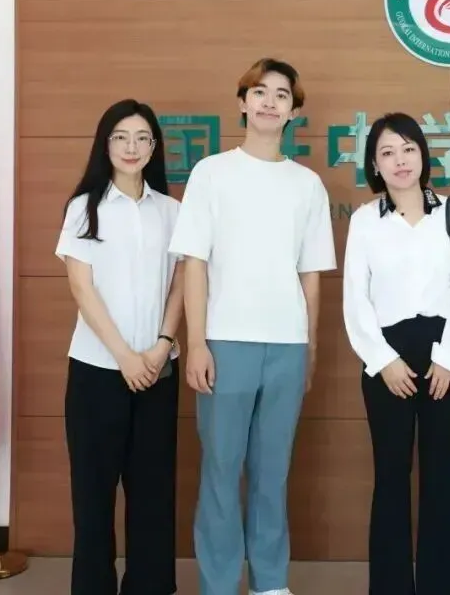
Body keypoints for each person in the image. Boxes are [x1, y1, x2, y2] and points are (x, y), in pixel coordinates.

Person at [168, 58, 336, 595]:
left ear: (293, 111)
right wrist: (197, 343)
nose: (269, 102)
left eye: (281, 95)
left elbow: (311, 276)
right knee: (221, 470)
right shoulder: (211, 173)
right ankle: (219, 583)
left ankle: (270, 582)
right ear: (242, 103)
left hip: (287, 345)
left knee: (273, 471)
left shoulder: (307, 185)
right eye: (259, 92)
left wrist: (310, 349)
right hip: (225, 342)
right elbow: (194, 263)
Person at [342, 112, 450, 595]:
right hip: (386, 360)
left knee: (440, 478)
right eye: (387, 152)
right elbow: (355, 298)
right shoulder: (365, 220)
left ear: (423, 155)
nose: (400, 160)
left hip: (447, 357)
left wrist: (449, 358)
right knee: (390, 477)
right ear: (374, 165)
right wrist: (383, 361)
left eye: (408, 149)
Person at [56, 98, 184, 595]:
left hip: (158, 370)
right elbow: (81, 288)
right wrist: (125, 357)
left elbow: (181, 284)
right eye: (121, 137)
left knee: (153, 495)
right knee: (93, 496)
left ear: (154, 147)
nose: (132, 147)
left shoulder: (171, 211)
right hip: (97, 370)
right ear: (105, 144)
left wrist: (162, 344)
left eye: (142, 138)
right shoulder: (84, 208)